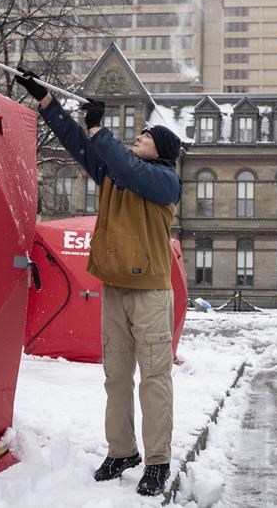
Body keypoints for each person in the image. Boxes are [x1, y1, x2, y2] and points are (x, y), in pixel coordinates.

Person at [16, 68, 182, 497]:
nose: (139, 136)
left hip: (150, 293)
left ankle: (158, 461)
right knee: (116, 377)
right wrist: (47, 102)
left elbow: (130, 170)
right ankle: (121, 450)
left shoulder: (164, 182)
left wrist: (100, 129)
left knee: (155, 379)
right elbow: (78, 145)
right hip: (115, 289)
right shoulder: (115, 174)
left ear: (160, 150)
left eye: (146, 135)